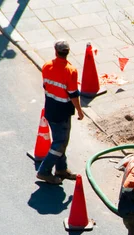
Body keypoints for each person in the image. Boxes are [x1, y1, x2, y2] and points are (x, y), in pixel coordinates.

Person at [36, 39, 84, 185]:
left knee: (61, 141)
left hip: (51, 108)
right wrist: (80, 111)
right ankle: (44, 171)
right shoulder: (71, 71)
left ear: (55, 51)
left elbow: (46, 86)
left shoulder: (47, 66)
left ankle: (61, 169)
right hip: (62, 112)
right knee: (60, 143)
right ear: (68, 53)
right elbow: (73, 94)